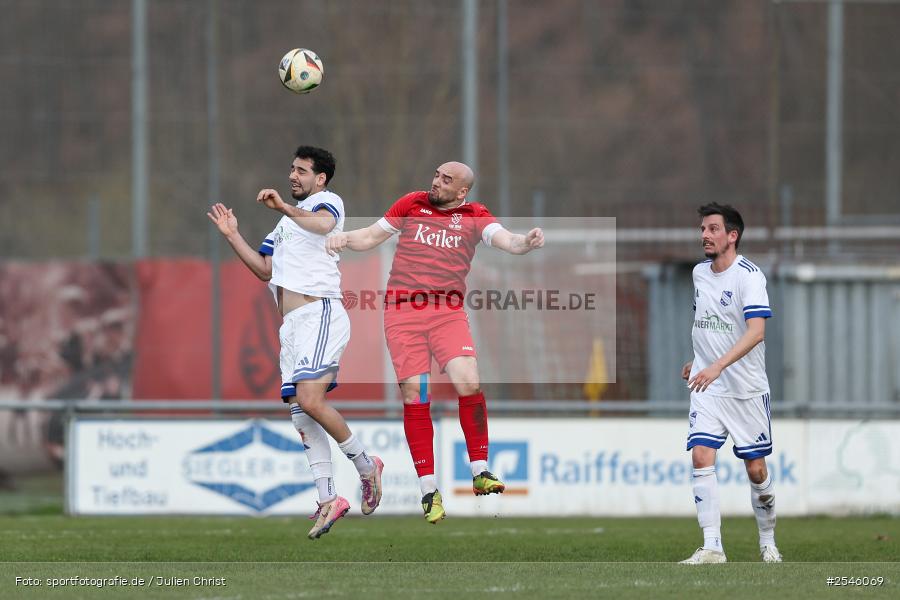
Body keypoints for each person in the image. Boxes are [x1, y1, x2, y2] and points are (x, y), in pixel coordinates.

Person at [326, 161, 544, 523]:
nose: (436, 182)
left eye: (446, 180)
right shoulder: (412, 204)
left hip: (447, 312)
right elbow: (371, 236)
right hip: (402, 314)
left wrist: (525, 243)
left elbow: (505, 240)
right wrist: (344, 238)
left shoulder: (475, 215)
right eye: (436, 175)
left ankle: (480, 470)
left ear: (462, 191)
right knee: (416, 394)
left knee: (468, 380)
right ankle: (429, 490)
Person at [207, 145, 383, 539]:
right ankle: (328, 497)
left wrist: (285, 207)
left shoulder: (326, 202)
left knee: (310, 400)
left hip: (320, 313)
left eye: (302, 171)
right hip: (291, 325)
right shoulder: (283, 227)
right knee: (302, 413)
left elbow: (323, 226)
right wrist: (234, 236)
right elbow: (263, 270)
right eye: (292, 168)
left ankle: (367, 466)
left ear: (319, 179)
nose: (293, 175)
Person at [679, 203, 781, 564]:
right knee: (701, 455)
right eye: (703, 228)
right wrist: (699, 361)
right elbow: (709, 324)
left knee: (756, 470)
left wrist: (718, 365)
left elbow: (756, 332)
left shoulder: (749, 276)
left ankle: (767, 541)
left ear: (732, 236)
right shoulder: (699, 274)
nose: (704, 234)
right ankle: (712, 547)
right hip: (709, 387)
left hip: (746, 390)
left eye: (712, 229)